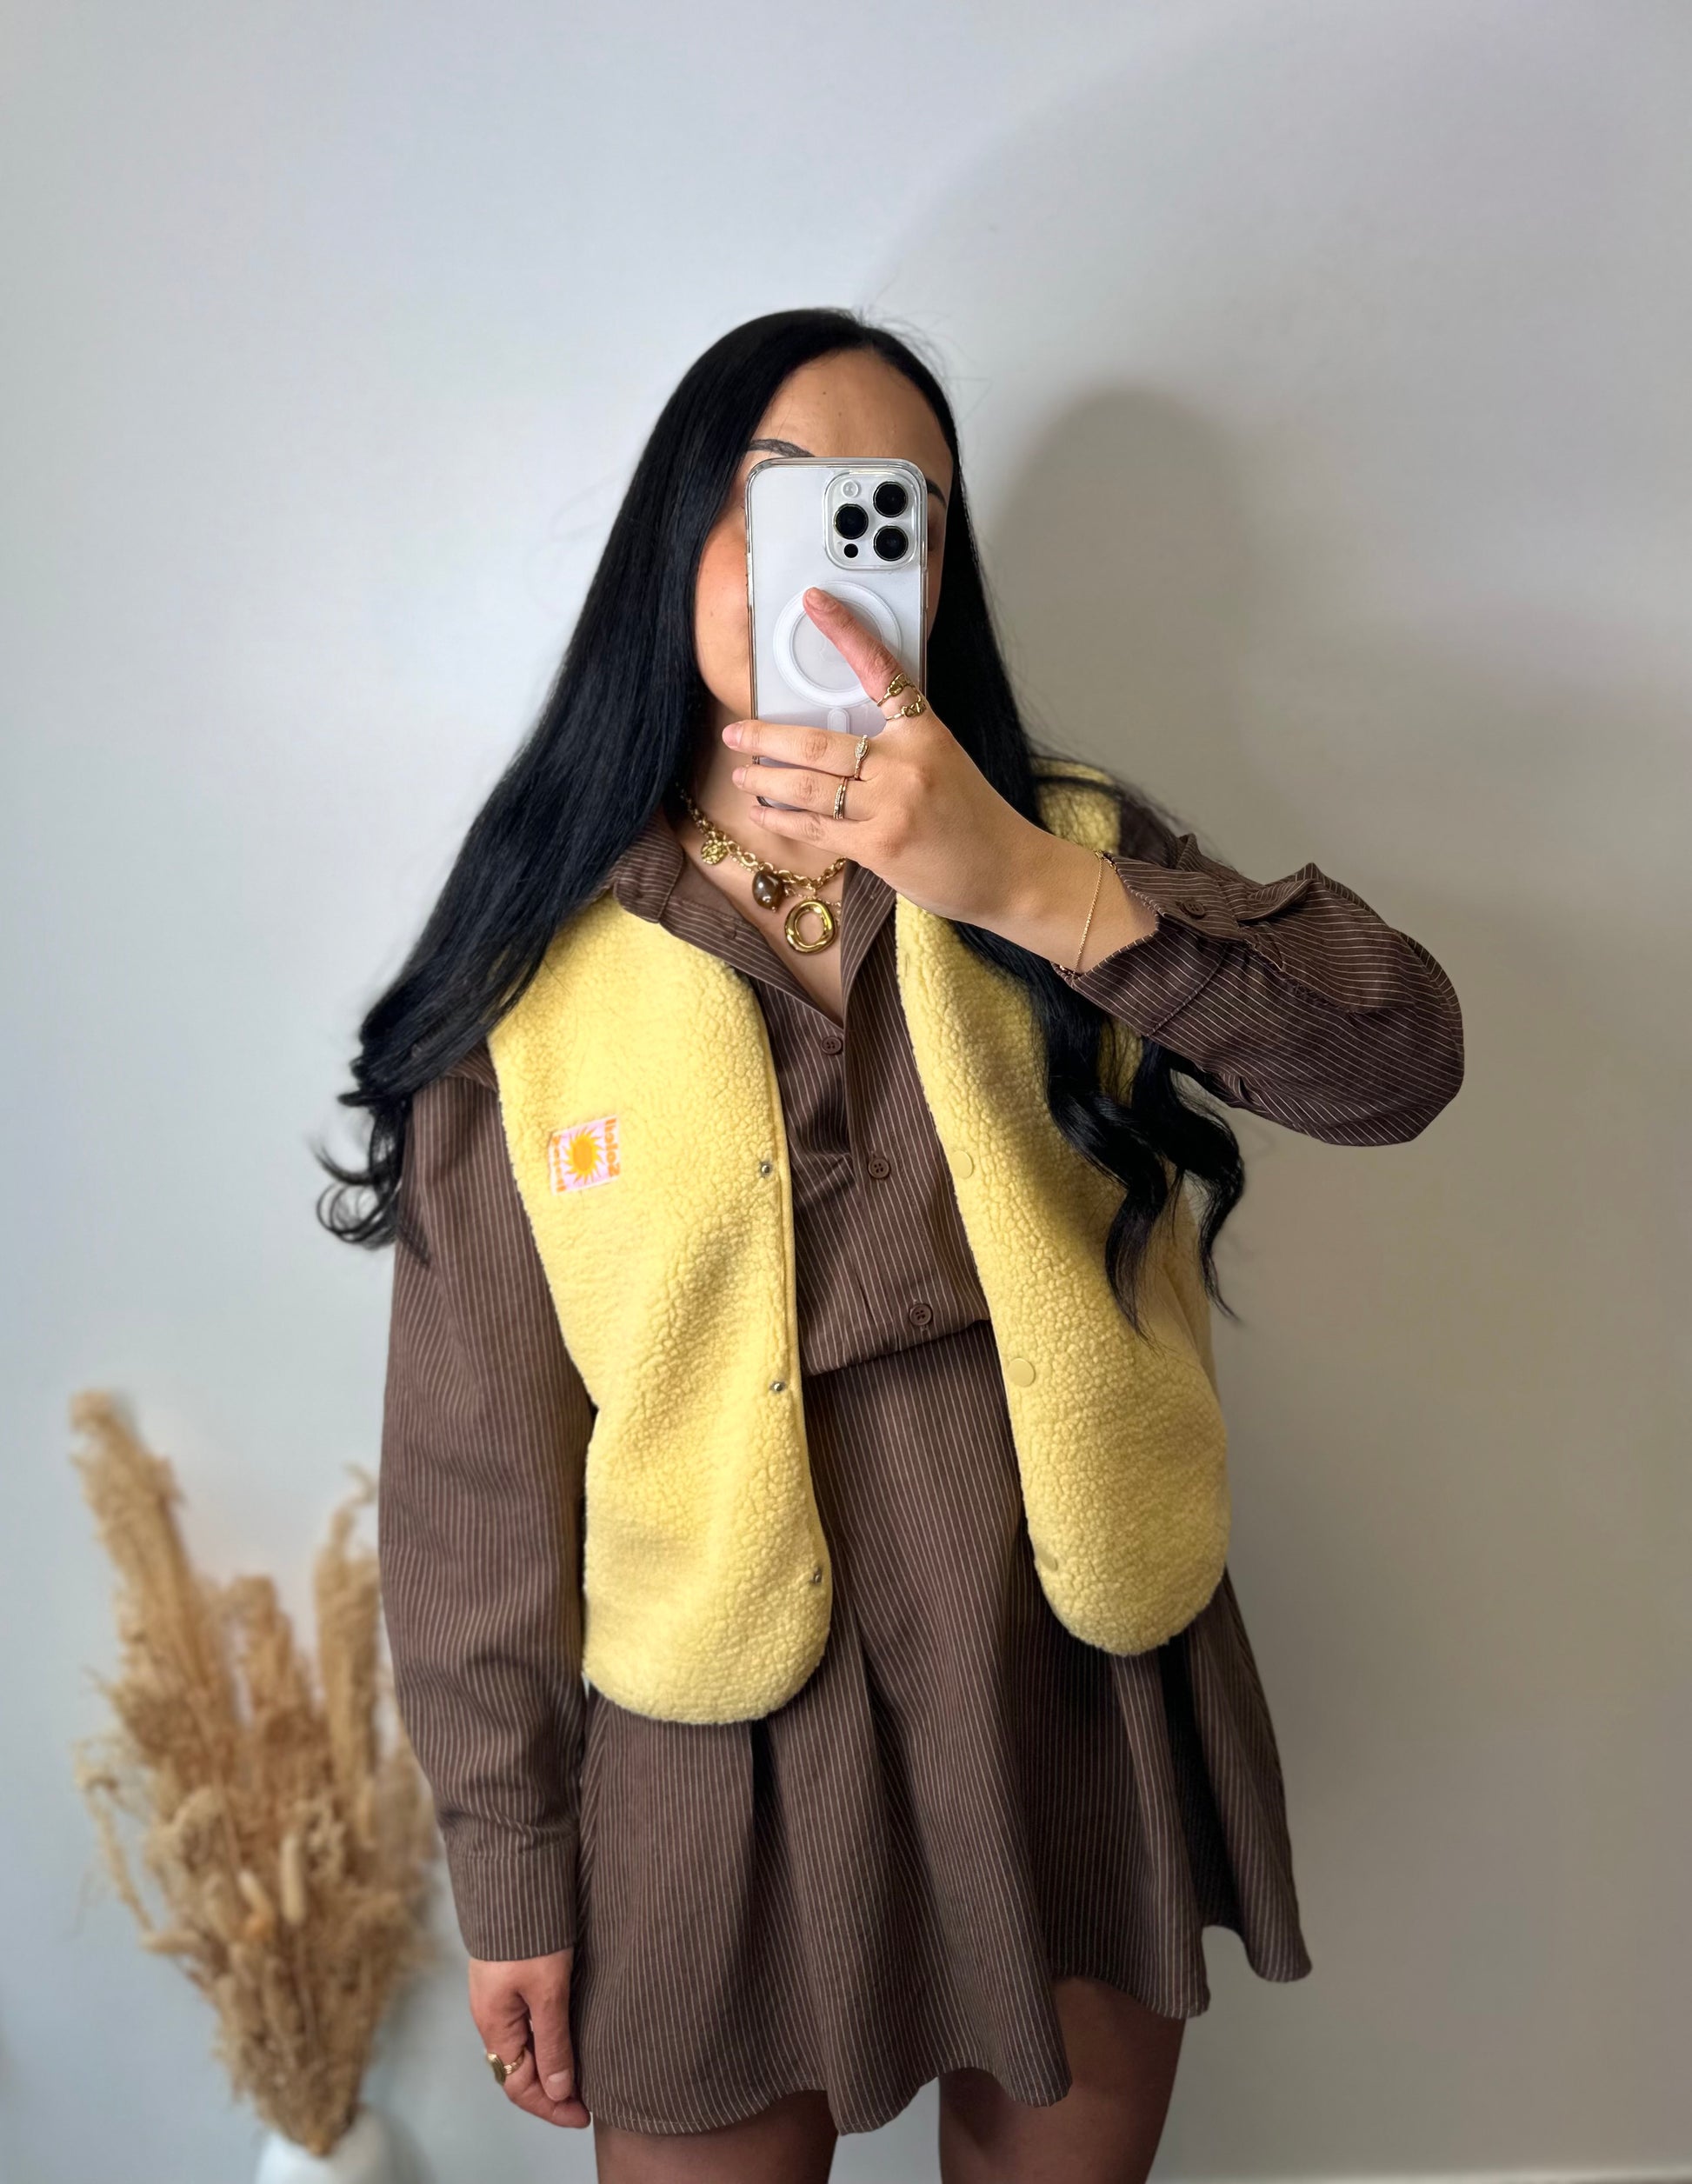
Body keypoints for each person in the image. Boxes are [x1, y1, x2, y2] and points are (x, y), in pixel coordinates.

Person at [318, 307, 1463, 2184]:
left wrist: (1024, 882)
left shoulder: (1063, 852)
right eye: (783, 499)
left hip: (1063, 1660)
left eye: (896, 513)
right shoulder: (536, 960)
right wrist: (508, 1856)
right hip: (713, 1723)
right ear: (678, 535)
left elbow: (1397, 1061)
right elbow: (474, 1467)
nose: (840, 556)